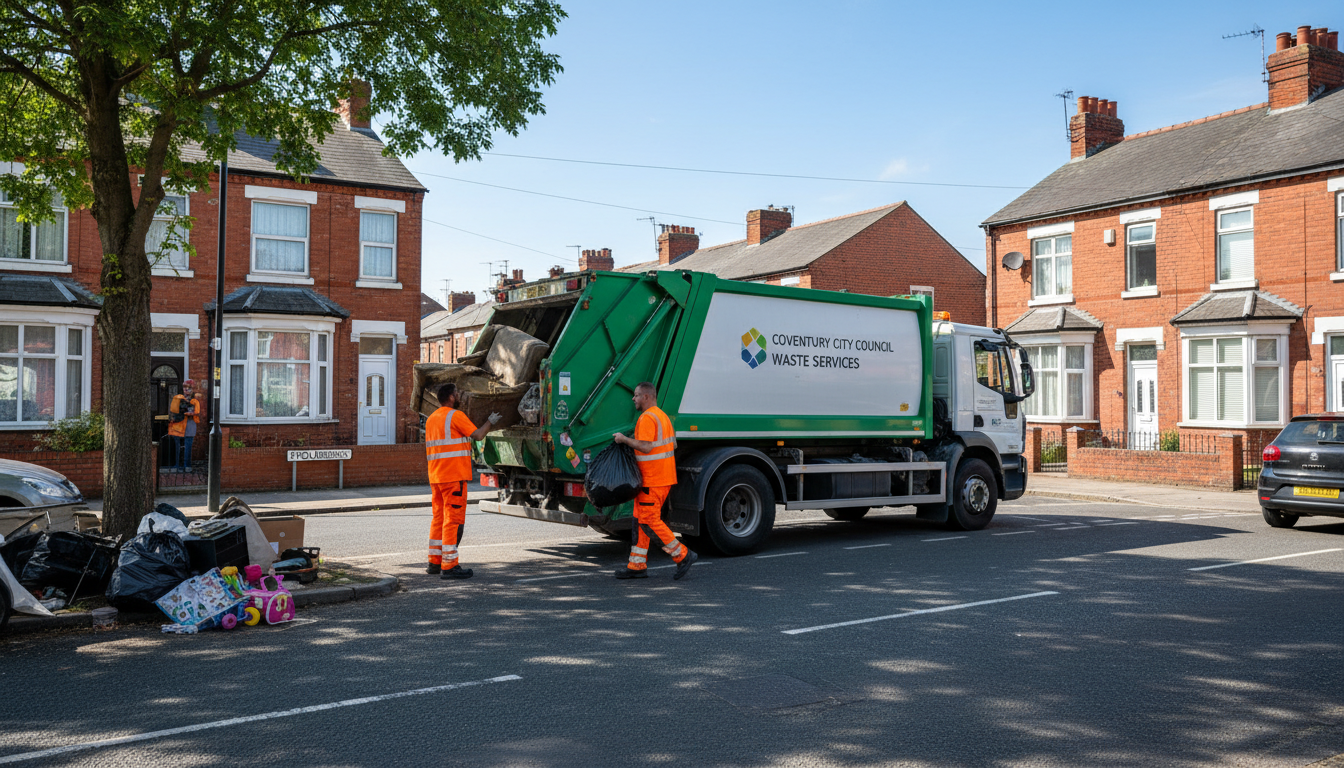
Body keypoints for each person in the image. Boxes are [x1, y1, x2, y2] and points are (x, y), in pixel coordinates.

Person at [612, 381, 697, 581]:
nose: (633, 398)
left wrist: (624, 440)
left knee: (649, 521)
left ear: (647, 397)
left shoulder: (647, 418)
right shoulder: (663, 417)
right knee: (639, 521)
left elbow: (646, 447)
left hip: (652, 480)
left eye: (636, 395)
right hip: (659, 478)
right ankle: (637, 565)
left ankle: (683, 555)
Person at [425, 383, 502, 580]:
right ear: (450, 397)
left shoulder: (431, 419)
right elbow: (477, 435)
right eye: (457, 393)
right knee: (453, 520)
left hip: (436, 477)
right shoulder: (455, 416)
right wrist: (490, 422)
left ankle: (434, 562)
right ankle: (449, 566)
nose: (459, 396)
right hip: (454, 477)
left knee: (438, 518)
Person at [168, 380, 203, 473]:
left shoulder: (195, 401)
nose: (187, 390)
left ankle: (187, 465)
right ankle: (177, 465)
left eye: (189, 388)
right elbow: (173, 410)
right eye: (185, 387)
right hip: (178, 425)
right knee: (177, 446)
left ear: (192, 389)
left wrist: (192, 413)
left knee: (188, 447)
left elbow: (197, 412)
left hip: (189, 425)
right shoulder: (177, 398)